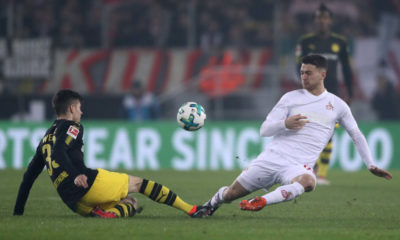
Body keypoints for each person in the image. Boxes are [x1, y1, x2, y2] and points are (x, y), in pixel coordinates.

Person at [198, 55, 392, 217]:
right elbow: (264, 130)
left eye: (309, 73)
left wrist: (370, 164)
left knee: (309, 181)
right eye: (301, 73)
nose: (304, 77)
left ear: (322, 75)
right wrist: (285, 124)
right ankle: (209, 205)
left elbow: (356, 134)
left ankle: (261, 201)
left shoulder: (338, 105)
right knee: (231, 194)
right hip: (271, 159)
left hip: (297, 166)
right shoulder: (290, 98)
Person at [13, 89, 206, 218]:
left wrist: (18, 212)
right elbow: (59, 151)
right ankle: (192, 209)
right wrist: (76, 175)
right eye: (79, 108)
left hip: (72, 202)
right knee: (140, 184)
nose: (81, 112)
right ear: (71, 109)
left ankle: (109, 214)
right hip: (87, 184)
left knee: (131, 202)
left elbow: (28, 177)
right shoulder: (73, 126)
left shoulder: (46, 138)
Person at [295, 3, 354, 185]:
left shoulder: (340, 43)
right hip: (310, 94)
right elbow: (298, 67)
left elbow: (347, 69)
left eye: (325, 18)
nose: (322, 21)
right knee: (308, 132)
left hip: (333, 94)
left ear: (330, 21)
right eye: (319, 17)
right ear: (315, 20)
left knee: (328, 133)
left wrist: (349, 92)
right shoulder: (305, 42)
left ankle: (321, 175)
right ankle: (308, 170)